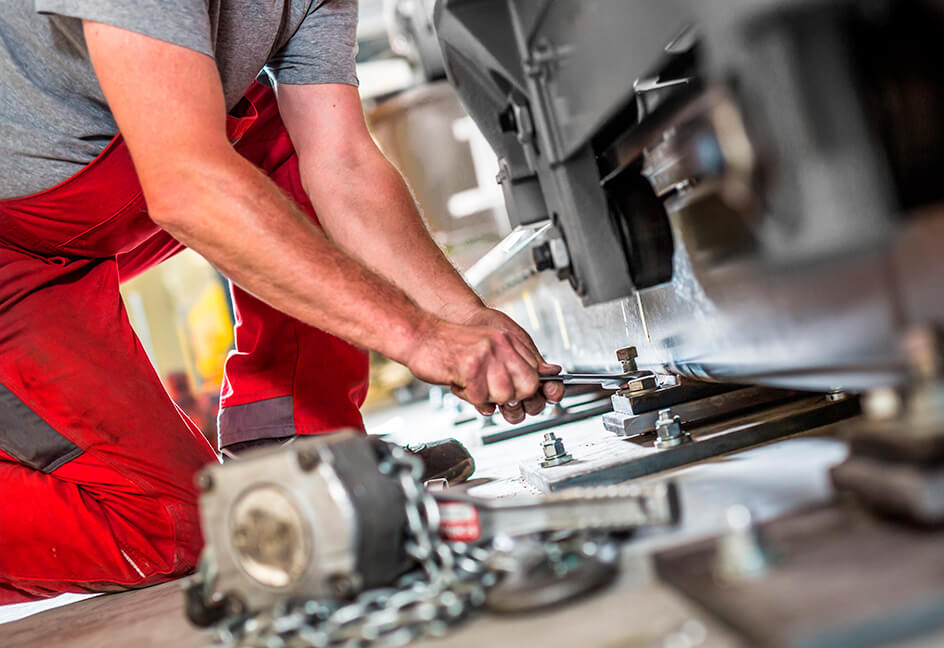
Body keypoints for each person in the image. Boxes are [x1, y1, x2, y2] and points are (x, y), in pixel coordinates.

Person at [0, 0, 563, 602]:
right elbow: (188, 185)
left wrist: (462, 320)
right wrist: (418, 337)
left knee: (275, 116)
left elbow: (339, 161)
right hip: (25, 239)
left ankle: (293, 445)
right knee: (172, 529)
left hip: (101, 194)